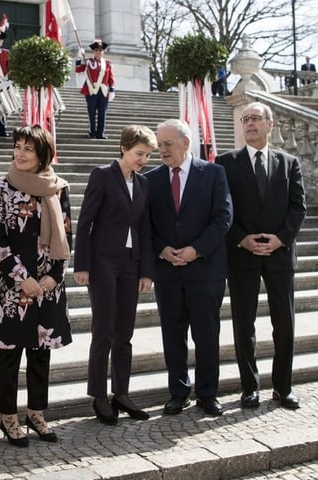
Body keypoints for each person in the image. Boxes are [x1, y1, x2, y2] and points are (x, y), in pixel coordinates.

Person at [0, 125, 72, 447]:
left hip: (47, 287)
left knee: (40, 355)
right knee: (8, 356)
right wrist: (24, 280)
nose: (20, 153)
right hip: (11, 289)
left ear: (43, 154)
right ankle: (8, 418)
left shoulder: (58, 189)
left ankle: (36, 413)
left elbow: (66, 237)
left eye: (28, 149)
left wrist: (53, 277)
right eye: (17, 146)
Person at [216, 102, 306, 410]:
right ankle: (249, 388)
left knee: (285, 322)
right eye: (246, 119)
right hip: (243, 255)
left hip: (280, 255)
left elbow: (298, 207)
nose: (250, 123)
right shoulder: (225, 163)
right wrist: (242, 239)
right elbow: (221, 209)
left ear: (270, 125)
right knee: (244, 323)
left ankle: (283, 387)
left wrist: (280, 239)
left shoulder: (289, 162)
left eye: (256, 118)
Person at [145, 119, 232, 417]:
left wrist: (196, 250)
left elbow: (223, 218)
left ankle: (208, 394)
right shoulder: (151, 178)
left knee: (207, 335)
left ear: (186, 143)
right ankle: (178, 392)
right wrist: (162, 250)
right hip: (168, 271)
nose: (162, 150)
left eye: (168, 144)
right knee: (173, 334)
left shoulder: (214, 173)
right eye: (159, 145)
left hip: (205, 270)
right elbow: (145, 223)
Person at [73, 125, 156, 425]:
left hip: (131, 265)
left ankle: (122, 393)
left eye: (147, 155)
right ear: (123, 148)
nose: (143, 160)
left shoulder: (144, 183)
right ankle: (98, 395)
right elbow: (85, 223)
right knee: (104, 330)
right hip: (103, 262)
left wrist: (146, 271)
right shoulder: (103, 175)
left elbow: (145, 228)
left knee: (125, 333)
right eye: (139, 153)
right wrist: (81, 265)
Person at [75, 39, 115, 139]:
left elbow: (110, 77)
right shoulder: (88, 61)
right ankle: (92, 132)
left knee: (102, 113)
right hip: (91, 90)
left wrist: (112, 90)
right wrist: (79, 56)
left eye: (100, 50)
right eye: (96, 50)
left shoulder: (107, 63)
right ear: (94, 51)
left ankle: (100, 133)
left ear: (103, 51)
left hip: (103, 90)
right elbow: (78, 69)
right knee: (91, 112)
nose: (98, 52)